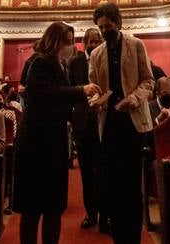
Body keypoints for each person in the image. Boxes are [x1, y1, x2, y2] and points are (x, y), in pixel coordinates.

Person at [12, 21, 100, 244]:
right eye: (68, 42)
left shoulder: (61, 64)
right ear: (55, 41)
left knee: (53, 207)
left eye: (72, 42)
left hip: (54, 142)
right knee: (32, 209)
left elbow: (60, 103)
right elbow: (47, 93)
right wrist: (82, 90)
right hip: (36, 144)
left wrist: (86, 106)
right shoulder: (39, 61)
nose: (72, 47)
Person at [89, 1, 154, 244]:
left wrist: (133, 99)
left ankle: (134, 237)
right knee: (114, 186)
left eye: (108, 26)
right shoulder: (96, 54)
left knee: (132, 186)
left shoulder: (136, 45)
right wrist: (95, 100)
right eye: (101, 28)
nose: (105, 31)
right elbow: (94, 86)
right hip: (109, 124)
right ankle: (119, 237)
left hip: (134, 122)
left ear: (118, 23)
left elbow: (148, 81)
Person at [68, 26, 104, 230]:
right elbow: (70, 90)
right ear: (84, 43)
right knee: (87, 172)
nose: (93, 44)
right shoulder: (76, 62)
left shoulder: (109, 58)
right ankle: (91, 213)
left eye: (97, 40)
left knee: (104, 170)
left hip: (104, 120)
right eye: (90, 41)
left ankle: (106, 215)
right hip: (83, 122)